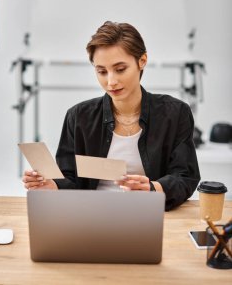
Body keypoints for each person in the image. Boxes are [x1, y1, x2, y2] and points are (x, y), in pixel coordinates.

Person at [22, 21, 200, 210]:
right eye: (101, 71)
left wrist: (151, 189)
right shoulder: (78, 117)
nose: (111, 81)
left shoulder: (175, 113)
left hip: (150, 213)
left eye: (120, 69)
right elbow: (71, 179)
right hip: (91, 216)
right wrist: (53, 185)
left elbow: (185, 177)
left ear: (142, 61)